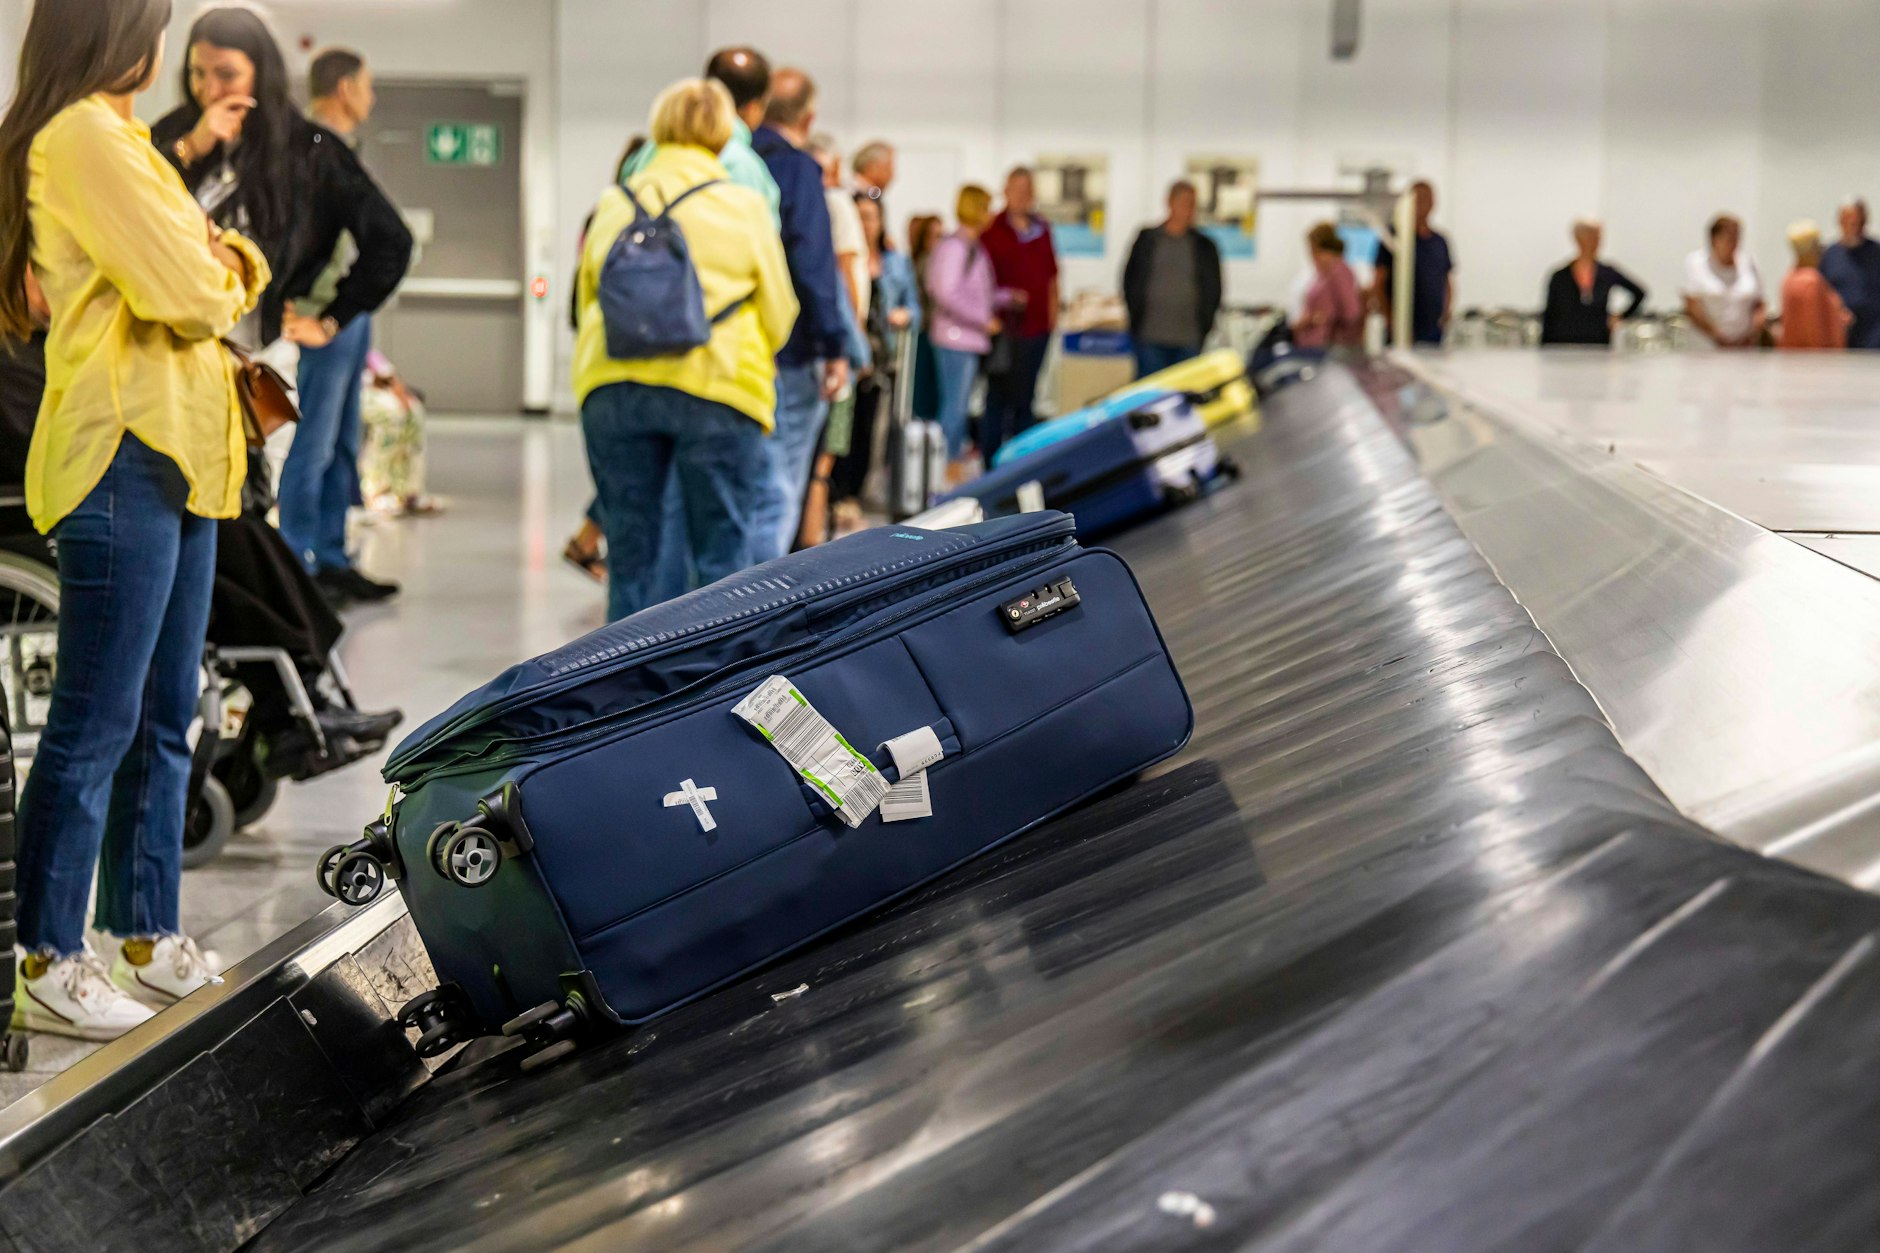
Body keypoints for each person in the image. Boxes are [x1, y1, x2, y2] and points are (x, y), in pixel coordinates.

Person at [1, 0, 271, 1038]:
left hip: (187, 459)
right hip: (119, 454)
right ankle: (46, 953)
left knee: (169, 717)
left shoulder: (124, 142)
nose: (169, 49)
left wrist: (216, 257)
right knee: (96, 724)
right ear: (119, 33)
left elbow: (205, 266)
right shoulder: (80, 138)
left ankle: (142, 933)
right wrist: (223, 261)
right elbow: (195, 288)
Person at [151, 7, 412, 605]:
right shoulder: (173, 136)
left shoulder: (308, 149)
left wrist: (330, 318)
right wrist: (194, 146)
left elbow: (389, 240)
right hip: (165, 360)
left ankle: (281, 616)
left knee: (255, 503)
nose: (209, 90)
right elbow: (129, 211)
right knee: (179, 516)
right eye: (196, 74)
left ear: (260, 73)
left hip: (255, 362)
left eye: (225, 74)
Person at [574, 78, 797, 623]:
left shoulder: (615, 201)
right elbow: (780, 310)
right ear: (725, 132)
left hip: (613, 386)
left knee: (633, 557)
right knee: (722, 556)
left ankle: (626, 693)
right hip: (718, 387)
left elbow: (586, 299)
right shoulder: (743, 204)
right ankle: (708, 692)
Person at [752, 69, 848, 561]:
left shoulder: (733, 161)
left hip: (731, 352)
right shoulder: (796, 170)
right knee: (778, 489)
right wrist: (835, 346)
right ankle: (758, 613)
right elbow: (813, 264)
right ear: (808, 119)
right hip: (790, 352)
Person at [828, 193, 921, 531]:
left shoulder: (894, 262)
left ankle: (855, 493)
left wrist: (905, 314)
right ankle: (837, 496)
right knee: (841, 430)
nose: (867, 223)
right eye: (861, 216)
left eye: (872, 216)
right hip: (850, 355)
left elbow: (915, 306)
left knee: (869, 428)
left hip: (881, 357)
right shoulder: (845, 259)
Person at [979, 166, 1059, 461]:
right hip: (1005, 332)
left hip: (1037, 329)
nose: (1023, 196)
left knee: (1027, 400)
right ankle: (991, 463)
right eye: (1017, 189)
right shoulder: (991, 232)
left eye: (1028, 190)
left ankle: (1022, 463)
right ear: (1006, 191)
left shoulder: (1042, 229)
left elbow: (1052, 277)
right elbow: (981, 285)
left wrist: (1052, 320)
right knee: (998, 400)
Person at [925, 185, 1001, 479]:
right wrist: (983, 320)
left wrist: (1004, 299)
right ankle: (944, 470)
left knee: (959, 404)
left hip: (967, 338)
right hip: (955, 338)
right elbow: (945, 292)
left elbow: (977, 291)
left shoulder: (973, 248)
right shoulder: (955, 247)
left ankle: (949, 465)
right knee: (954, 407)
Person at [1122, 180, 1223, 377]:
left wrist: (1206, 322)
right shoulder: (1148, 240)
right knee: (1150, 397)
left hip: (1189, 337)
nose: (1188, 210)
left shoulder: (1204, 246)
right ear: (1169, 202)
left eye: (1193, 204)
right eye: (1184, 203)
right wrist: (1134, 316)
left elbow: (1214, 287)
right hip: (1150, 335)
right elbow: (1130, 280)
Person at [1539, 218, 1647, 348]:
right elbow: (1550, 314)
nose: (1595, 242)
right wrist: (1545, 346)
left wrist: (1619, 317)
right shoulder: (1560, 276)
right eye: (1590, 236)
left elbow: (1639, 292)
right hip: (1563, 343)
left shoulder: (1607, 272)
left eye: (1597, 237)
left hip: (1597, 341)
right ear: (1578, 239)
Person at [1371, 180, 1453, 347]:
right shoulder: (1392, 239)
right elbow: (1378, 283)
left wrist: (1446, 314)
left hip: (1432, 329)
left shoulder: (1440, 241)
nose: (1423, 204)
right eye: (1419, 198)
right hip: (1401, 329)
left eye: (1427, 199)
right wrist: (1391, 321)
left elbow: (1447, 280)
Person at [1683, 214, 1766, 349]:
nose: (1734, 243)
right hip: (1707, 346)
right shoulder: (1696, 263)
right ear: (1714, 239)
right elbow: (1692, 306)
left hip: (1743, 347)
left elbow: (1759, 303)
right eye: (1729, 238)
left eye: (1737, 237)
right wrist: (1717, 336)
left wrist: (1752, 334)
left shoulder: (1749, 263)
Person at [1777, 221, 1851, 351]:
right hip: (1815, 360)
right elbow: (1814, 327)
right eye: (1817, 246)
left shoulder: (1789, 278)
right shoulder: (1811, 281)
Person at [1293, 222, 1365, 352]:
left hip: (1330, 348)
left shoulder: (1338, 270)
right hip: (1313, 345)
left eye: (1313, 249)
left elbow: (1351, 312)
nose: (1311, 255)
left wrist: (1321, 318)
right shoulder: (1322, 275)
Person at [1820, 198, 1880, 350]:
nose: (1854, 227)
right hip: (1840, 336)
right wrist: (1836, 311)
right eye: (1849, 222)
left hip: (1873, 335)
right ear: (1840, 222)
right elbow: (1822, 292)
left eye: (1858, 222)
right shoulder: (1829, 255)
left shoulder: (1876, 253)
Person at [907, 213, 945, 424]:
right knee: (924, 390)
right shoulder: (926, 263)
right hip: (926, 331)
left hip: (933, 332)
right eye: (934, 236)